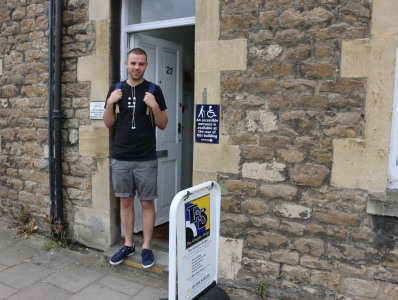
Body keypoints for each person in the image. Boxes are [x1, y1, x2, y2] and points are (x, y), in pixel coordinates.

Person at [103, 48, 168, 268]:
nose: (136, 68)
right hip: (121, 157)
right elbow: (108, 123)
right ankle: (128, 244)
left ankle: (147, 247)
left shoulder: (153, 90)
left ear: (146, 65)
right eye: (133, 63)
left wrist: (154, 105)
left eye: (140, 64)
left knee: (147, 202)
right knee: (125, 201)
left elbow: (163, 123)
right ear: (126, 63)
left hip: (145, 158)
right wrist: (111, 102)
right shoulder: (116, 89)